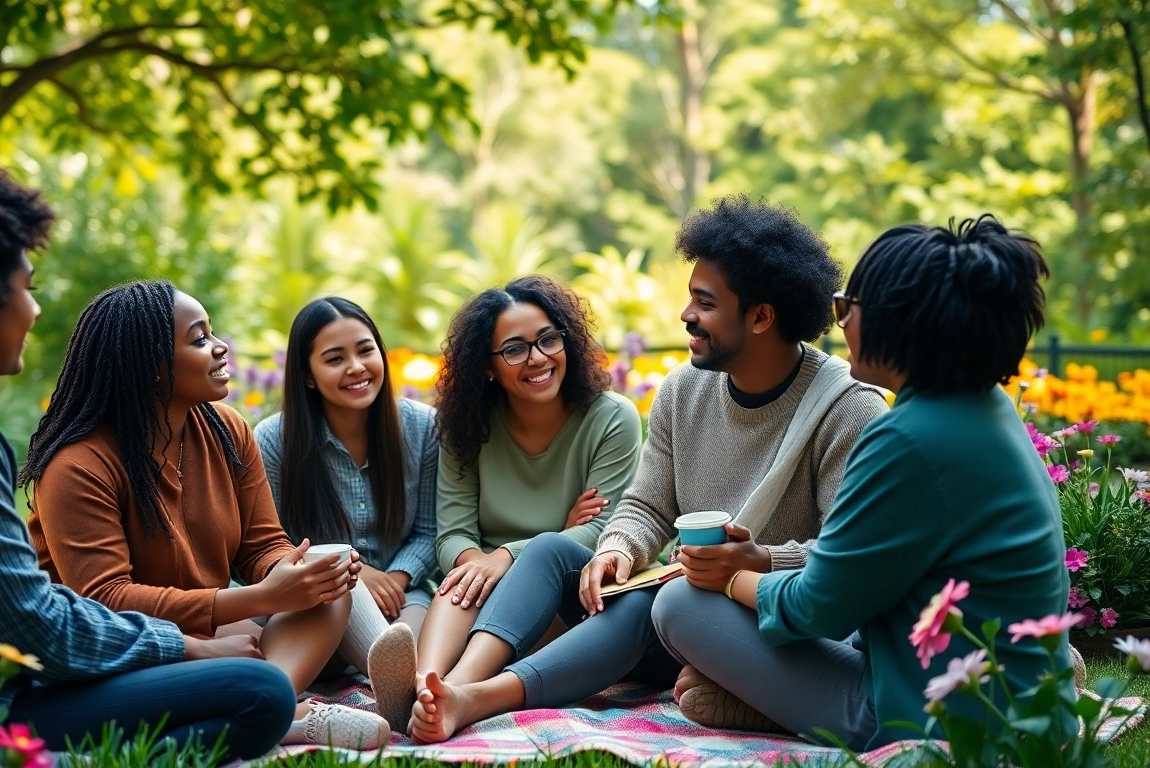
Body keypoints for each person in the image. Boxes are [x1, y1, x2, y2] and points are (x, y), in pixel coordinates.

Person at [0, 157, 296, 760]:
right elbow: (35, 625)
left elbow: (20, 608)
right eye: (26, 289)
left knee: (245, 676)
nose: (34, 312)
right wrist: (184, 647)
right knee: (260, 692)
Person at [408, 195, 888, 743]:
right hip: (685, 614)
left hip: (776, 622)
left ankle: (477, 699)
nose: (686, 316)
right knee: (553, 550)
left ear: (760, 316)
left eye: (704, 303)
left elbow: (845, 561)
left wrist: (751, 564)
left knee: (663, 601)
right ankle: (450, 687)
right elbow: (645, 506)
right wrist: (618, 549)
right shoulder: (682, 391)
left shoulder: (848, 410)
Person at [651, 215, 1074, 751]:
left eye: (845, 308)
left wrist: (728, 577)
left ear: (898, 323)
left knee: (679, 606)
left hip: (934, 712)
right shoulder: (985, 407)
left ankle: (776, 706)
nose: (838, 324)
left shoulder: (906, 439)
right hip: (1014, 692)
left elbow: (817, 606)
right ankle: (772, 697)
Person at [23, 281, 393, 749]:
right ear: (151, 365)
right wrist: (258, 599)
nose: (220, 348)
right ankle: (283, 710)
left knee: (329, 585)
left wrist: (292, 574)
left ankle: (274, 699)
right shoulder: (77, 465)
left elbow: (262, 545)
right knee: (299, 602)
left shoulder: (226, 429)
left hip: (206, 627)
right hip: (119, 647)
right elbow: (106, 600)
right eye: (199, 338)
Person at [407, 275, 643, 724]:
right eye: (515, 349)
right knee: (463, 583)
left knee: (522, 569)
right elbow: (453, 535)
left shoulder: (612, 419)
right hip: (479, 581)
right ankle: (424, 687)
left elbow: (603, 532)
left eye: (548, 340)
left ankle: (452, 692)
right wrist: (482, 562)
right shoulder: (467, 426)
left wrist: (506, 555)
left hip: (566, 594)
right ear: (488, 366)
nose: (537, 358)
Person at [254, 297, 439, 732]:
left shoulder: (422, 427)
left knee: (409, 633)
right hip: (311, 603)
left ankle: (397, 682)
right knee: (336, 583)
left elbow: (431, 530)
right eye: (335, 358)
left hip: (401, 596)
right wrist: (358, 572)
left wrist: (394, 577)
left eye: (365, 349)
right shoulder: (275, 441)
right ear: (308, 376)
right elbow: (268, 543)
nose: (356, 367)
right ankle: (403, 698)